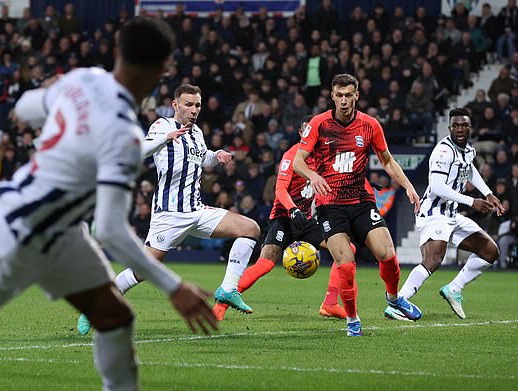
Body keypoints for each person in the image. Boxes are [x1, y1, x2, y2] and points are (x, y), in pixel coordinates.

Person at [0, 18, 218, 391]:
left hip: (61, 234)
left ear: (119, 52)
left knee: (115, 317)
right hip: (18, 233)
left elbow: (25, 108)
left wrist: (58, 105)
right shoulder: (124, 134)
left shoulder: (84, 80)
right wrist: (174, 287)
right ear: (159, 71)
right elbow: (110, 230)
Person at [77, 83, 261, 335]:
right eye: (188, 104)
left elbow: (202, 156)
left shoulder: (196, 132)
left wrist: (216, 155)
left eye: (197, 104)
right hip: (169, 214)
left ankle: (228, 289)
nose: (194, 109)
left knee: (250, 229)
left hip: (196, 210)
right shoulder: (162, 126)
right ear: (175, 105)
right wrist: (165, 139)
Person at [292, 74, 422, 337]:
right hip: (330, 205)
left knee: (387, 254)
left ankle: (394, 298)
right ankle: (352, 319)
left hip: (361, 202)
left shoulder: (370, 125)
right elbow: (298, 162)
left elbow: (387, 161)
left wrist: (408, 186)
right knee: (346, 263)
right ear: (332, 96)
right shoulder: (318, 124)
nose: (343, 101)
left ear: (356, 96)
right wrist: (314, 175)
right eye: (338, 95)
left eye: (348, 95)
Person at [213, 117, 352, 321]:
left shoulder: (324, 157)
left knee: (346, 250)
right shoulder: (292, 154)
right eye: (306, 130)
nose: (310, 134)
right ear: (300, 132)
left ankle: (330, 303)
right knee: (266, 263)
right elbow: (280, 189)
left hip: (305, 219)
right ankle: (221, 304)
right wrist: (293, 210)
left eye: (314, 131)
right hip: (285, 217)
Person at [385, 108, 504, 321]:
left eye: (464, 125)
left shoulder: (468, 151)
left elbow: (470, 171)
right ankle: (397, 303)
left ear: (470, 127)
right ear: (449, 128)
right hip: (434, 213)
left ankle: (454, 289)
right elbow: (438, 187)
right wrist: (472, 201)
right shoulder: (443, 151)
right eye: (456, 125)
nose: (460, 129)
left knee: (490, 252)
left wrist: (488, 193)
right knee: (433, 259)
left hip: (451, 214)